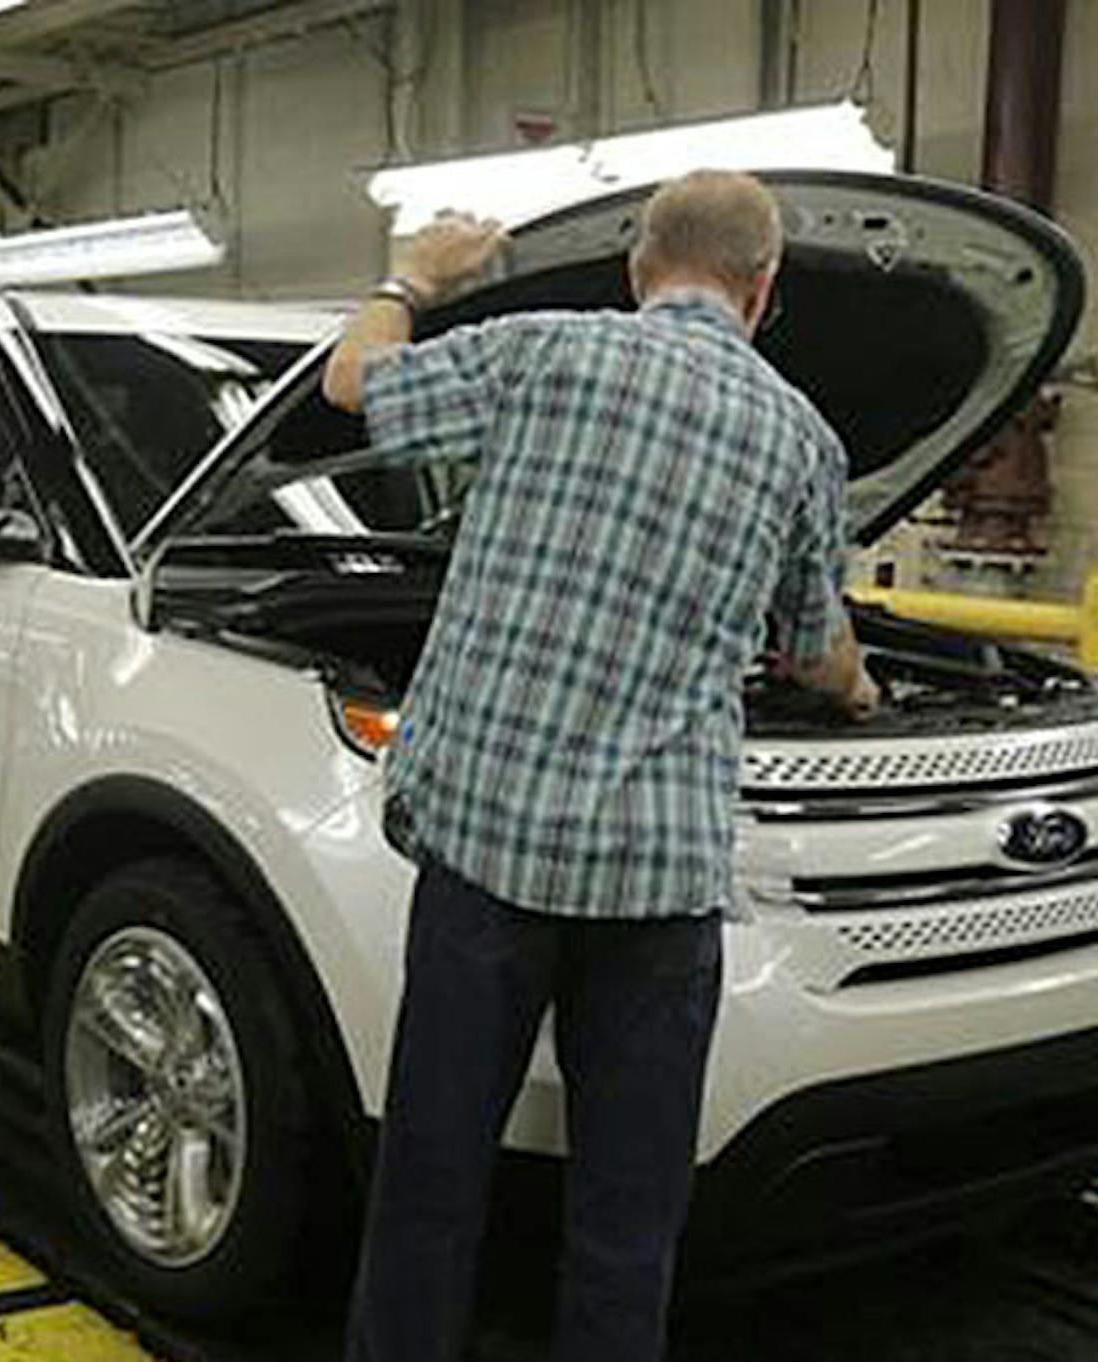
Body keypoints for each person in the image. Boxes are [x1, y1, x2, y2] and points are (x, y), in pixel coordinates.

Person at [325, 169, 878, 1362]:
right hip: (658, 886)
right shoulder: (803, 438)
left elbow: (352, 382)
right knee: (630, 1225)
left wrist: (411, 280)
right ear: (763, 289)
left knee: (431, 1180)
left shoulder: (542, 352)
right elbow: (811, 645)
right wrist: (858, 681)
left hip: (488, 852)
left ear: (638, 266)